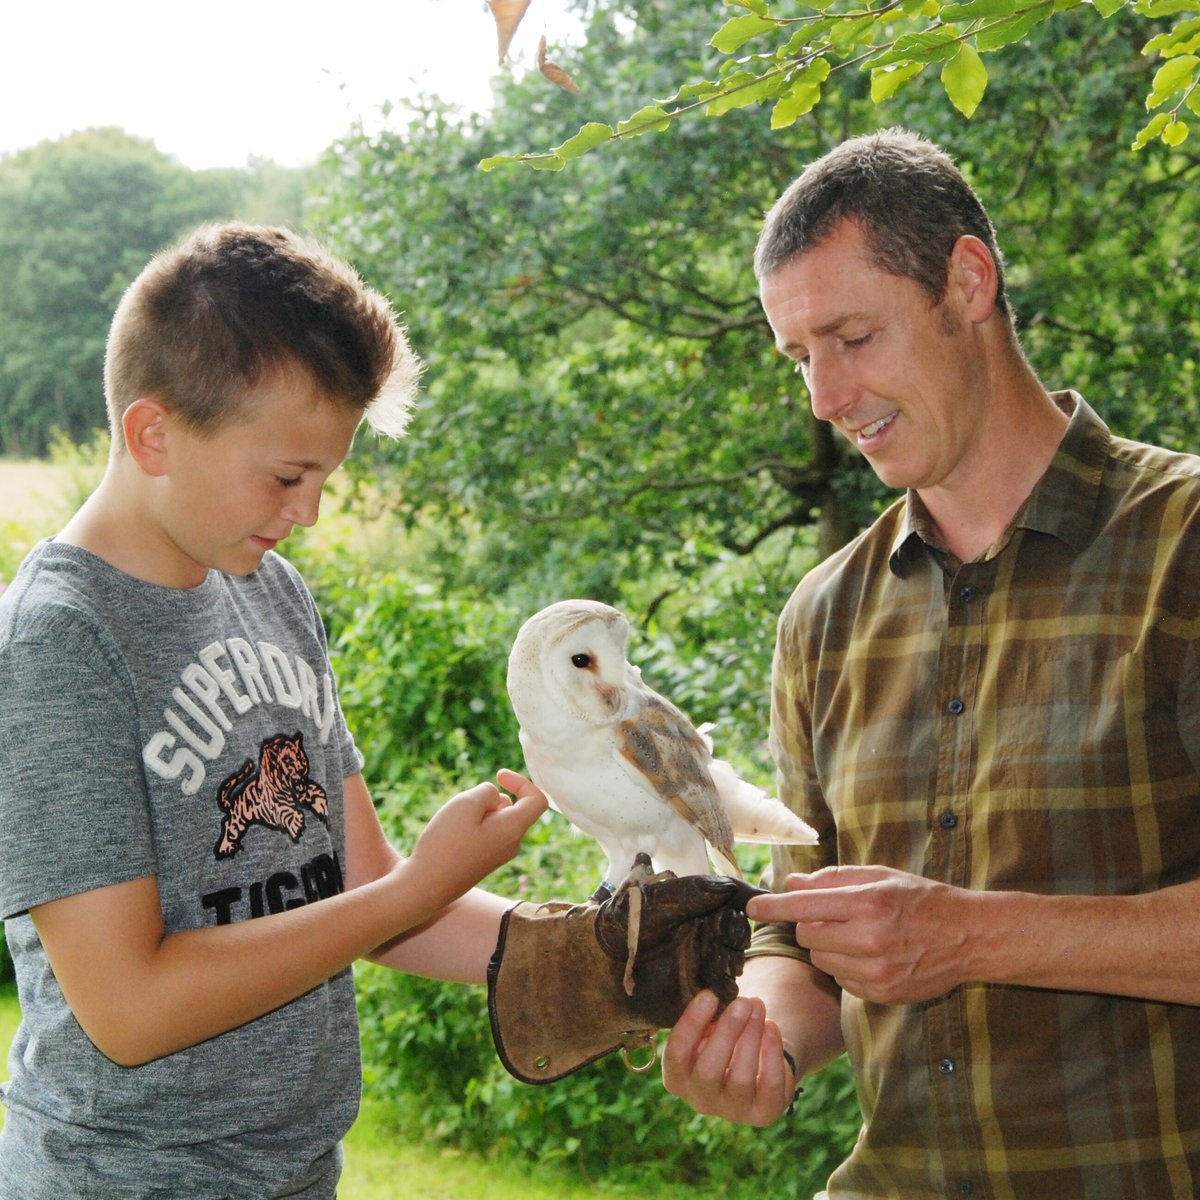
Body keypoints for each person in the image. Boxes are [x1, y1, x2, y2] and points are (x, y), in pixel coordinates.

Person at [0, 223, 755, 1199]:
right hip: (120, 1178)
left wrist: (587, 948)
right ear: (154, 435)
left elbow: (365, 899)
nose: (310, 512)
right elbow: (128, 1007)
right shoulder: (58, 642)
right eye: (286, 476)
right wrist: (409, 892)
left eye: (326, 475)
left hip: (297, 1171)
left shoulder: (271, 594)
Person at [661, 127, 1200, 1198]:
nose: (823, 395)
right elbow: (801, 945)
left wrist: (970, 935)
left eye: (852, 337)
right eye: (798, 356)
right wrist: (756, 1038)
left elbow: (940, 938)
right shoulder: (824, 616)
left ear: (966, 283)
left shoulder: (1183, 544)